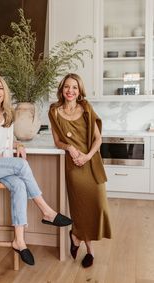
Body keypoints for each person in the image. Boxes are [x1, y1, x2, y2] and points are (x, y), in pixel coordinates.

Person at [0, 75, 72, 266]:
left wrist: (17, 144)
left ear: (5, 91)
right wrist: (7, 161)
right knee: (19, 165)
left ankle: (19, 241)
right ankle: (47, 211)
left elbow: (3, 141)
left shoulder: (8, 115)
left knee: (19, 184)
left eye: (0, 88)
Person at [48, 73, 112, 268]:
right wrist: (70, 148)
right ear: (62, 89)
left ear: (79, 90)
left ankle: (75, 236)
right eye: (67, 87)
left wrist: (87, 155)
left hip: (91, 162)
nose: (70, 90)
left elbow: (98, 139)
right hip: (73, 165)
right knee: (81, 208)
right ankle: (89, 251)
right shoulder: (55, 111)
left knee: (98, 205)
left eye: (74, 87)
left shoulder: (86, 108)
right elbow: (58, 141)